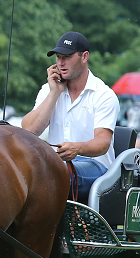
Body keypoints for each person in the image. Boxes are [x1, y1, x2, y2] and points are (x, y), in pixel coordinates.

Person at [21, 31, 118, 199]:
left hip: (97, 167)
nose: (61, 63)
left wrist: (77, 148)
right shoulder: (49, 90)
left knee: (54, 173)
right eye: (58, 57)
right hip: (56, 166)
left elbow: (102, 143)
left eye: (66, 57)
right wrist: (54, 93)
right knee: (20, 169)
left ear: (85, 57)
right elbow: (29, 130)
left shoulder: (104, 95)